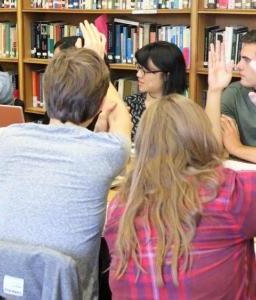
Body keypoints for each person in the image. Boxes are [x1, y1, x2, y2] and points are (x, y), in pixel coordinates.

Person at [104, 41, 256, 298]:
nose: (138, 75)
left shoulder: (120, 207)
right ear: (196, 136)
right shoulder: (229, 195)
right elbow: (212, 153)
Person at [0, 21, 132, 300]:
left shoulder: (8, 139)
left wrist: (92, 65)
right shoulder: (103, 152)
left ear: (45, 96)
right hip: (71, 293)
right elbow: (123, 115)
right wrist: (96, 62)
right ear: (98, 106)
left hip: (12, 291)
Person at [124, 41, 188, 139]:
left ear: (167, 75)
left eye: (145, 71)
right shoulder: (130, 104)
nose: (138, 74)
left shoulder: (183, 111)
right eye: (139, 68)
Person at [219, 30, 256, 163]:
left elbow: (232, 146)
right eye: (241, 58)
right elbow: (210, 144)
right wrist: (214, 90)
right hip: (242, 176)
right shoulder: (234, 92)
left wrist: (236, 148)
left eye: (246, 60)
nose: (239, 66)